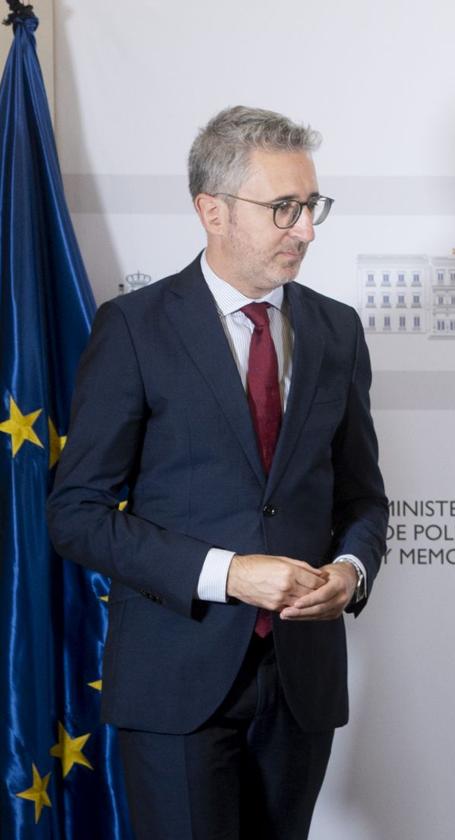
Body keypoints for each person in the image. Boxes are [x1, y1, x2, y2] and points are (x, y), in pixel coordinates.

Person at [47, 106, 388, 837]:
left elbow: (363, 494)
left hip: (301, 684)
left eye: (311, 205)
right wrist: (228, 573)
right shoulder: (135, 328)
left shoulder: (336, 329)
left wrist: (351, 570)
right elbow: (75, 514)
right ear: (213, 211)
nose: (307, 229)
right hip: (175, 682)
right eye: (284, 209)